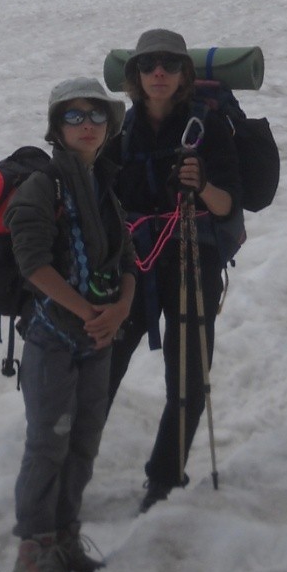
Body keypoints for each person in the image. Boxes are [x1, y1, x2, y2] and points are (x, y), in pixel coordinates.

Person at [5, 78, 136, 572]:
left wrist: (120, 309)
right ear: (57, 127)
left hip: (96, 337)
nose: (87, 125)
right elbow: (32, 262)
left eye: (97, 116)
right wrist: (90, 312)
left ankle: (64, 535)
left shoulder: (104, 184)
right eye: (75, 117)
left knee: (82, 441)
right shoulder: (44, 186)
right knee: (48, 443)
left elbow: (125, 259)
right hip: (53, 338)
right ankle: (33, 548)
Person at [105, 29, 241, 511]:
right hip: (136, 266)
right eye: (148, 65)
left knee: (186, 380)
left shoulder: (210, 127)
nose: (157, 72)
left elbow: (227, 207)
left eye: (168, 64)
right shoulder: (119, 128)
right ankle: (71, 461)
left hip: (191, 262)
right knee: (104, 368)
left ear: (184, 73)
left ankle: (164, 479)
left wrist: (201, 185)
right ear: (135, 76)